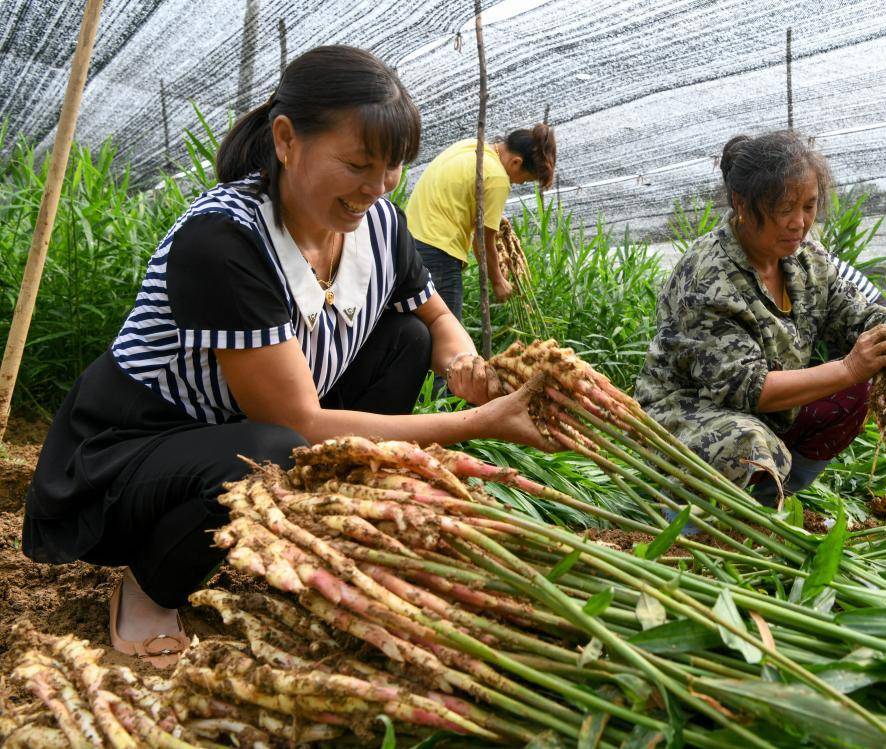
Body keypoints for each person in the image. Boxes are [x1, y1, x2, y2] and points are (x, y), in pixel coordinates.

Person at [22, 46, 550, 669]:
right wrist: (473, 425)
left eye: (392, 169)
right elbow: (298, 424)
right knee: (269, 451)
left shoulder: (377, 222)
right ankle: (150, 585)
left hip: (248, 428)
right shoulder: (224, 240)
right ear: (286, 140)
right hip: (134, 449)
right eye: (357, 165)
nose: (375, 189)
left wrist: (464, 365)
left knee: (405, 339)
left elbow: (433, 315)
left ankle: (309, 535)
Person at [635, 131, 886, 504]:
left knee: (852, 395)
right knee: (750, 444)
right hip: (691, 412)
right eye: (784, 209)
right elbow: (747, 389)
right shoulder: (709, 279)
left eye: (809, 207)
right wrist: (850, 367)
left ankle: (776, 497)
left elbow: (849, 311)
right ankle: (691, 515)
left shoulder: (804, 254)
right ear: (743, 205)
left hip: (770, 409)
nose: (799, 223)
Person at [404, 125, 556, 320]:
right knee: (447, 331)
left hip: (410, 242)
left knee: (417, 324)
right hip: (438, 250)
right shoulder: (498, 177)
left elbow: (459, 194)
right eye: (525, 180)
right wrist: (498, 281)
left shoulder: (473, 147)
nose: (519, 184)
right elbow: (482, 242)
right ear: (516, 162)